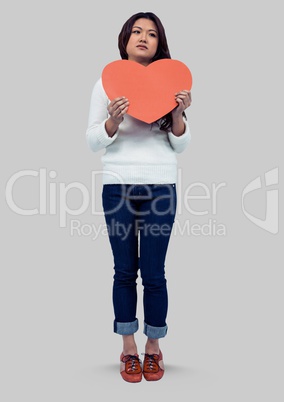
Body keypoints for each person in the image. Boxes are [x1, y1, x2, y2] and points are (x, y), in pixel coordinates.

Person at [86, 11, 192, 383]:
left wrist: (178, 113)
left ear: (159, 43)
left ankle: (154, 347)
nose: (143, 37)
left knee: (155, 273)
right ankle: (128, 349)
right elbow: (92, 140)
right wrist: (112, 121)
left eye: (151, 33)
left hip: (161, 187)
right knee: (124, 271)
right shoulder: (107, 83)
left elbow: (181, 144)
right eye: (136, 31)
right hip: (117, 186)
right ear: (125, 39)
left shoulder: (171, 82)